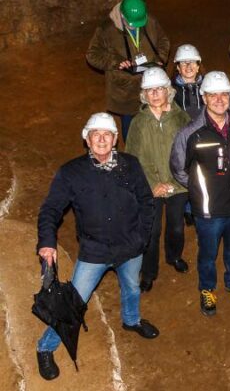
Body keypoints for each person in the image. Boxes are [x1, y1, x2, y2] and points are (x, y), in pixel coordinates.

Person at [36, 113, 158, 381]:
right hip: (95, 250)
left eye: (107, 135)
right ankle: (45, 347)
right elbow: (51, 209)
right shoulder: (71, 172)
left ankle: (132, 320)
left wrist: (141, 238)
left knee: (132, 287)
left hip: (130, 246)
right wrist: (47, 242)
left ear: (115, 139)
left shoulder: (131, 165)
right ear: (87, 140)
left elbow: (147, 202)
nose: (101, 140)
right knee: (74, 301)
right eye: (96, 135)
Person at [170, 71, 230, 317]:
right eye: (213, 95)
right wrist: (200, 187)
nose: (219, 99)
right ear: (204, 97)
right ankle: (207, 288)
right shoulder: (190, 133)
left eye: (224, 94)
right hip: (209, 209)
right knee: (208, 253)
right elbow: (178, 168)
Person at [126, 67, 192, 292]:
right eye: (150, 90)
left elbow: (188, 152)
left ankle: (174, 257)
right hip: (150, 187)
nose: (154, 94)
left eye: (159, 89)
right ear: (144, 94)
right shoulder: (138, 122)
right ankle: (149, 271)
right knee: (151, 231)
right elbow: (134, 158)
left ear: (168, 91)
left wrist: (175, 183)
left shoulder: (181, 117)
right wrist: (153, 184)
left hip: (178, 185)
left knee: (176, 227)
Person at [86, 0, 170, 140]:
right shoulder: (106, 29)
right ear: (122, 15)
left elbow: (163, 40)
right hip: (125, 88)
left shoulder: (149, 21)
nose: (135, 26)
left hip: (150, 83)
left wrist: (160, 58)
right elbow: (92, 55)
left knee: (155, 121)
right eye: (131, 23)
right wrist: (114, 62)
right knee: (130, 128)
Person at [172, 44, 204, 120]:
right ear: (178, 68)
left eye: (192, 62)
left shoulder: (208, 86)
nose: (188, 66)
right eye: (183, 62)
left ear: (198, 67)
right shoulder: (170, 90)